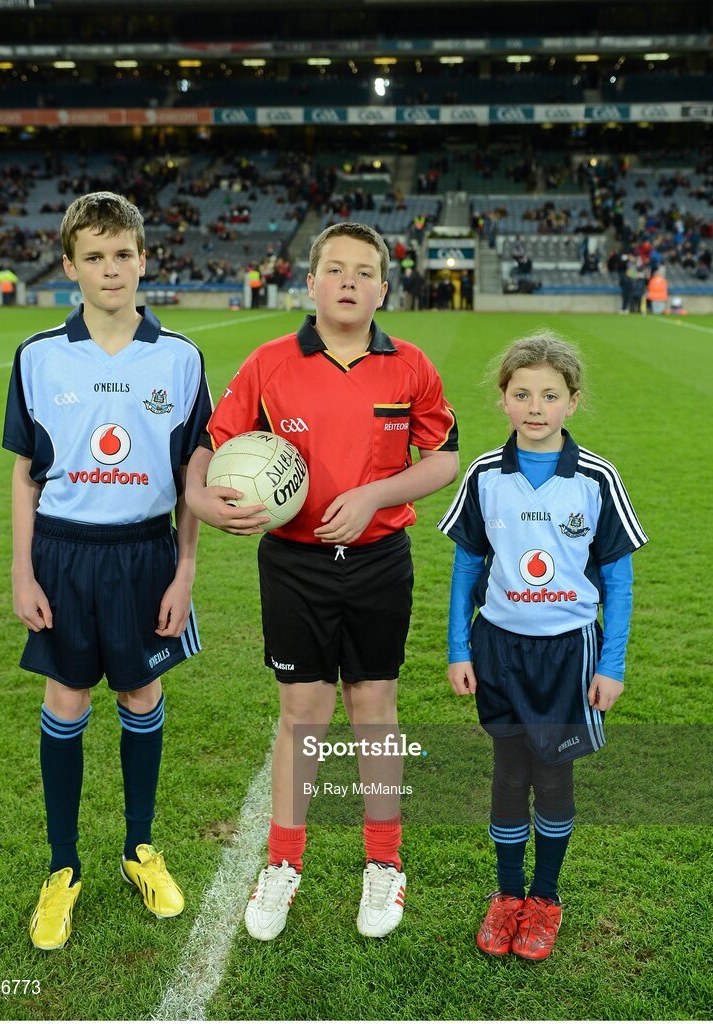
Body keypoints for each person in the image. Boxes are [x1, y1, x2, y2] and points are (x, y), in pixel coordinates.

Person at [185, 222, 459, 941]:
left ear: (382, 288)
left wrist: (374, 494)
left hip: (377, 563)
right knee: (303, 713)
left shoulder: (411, 366)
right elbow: (212, 445)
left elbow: (443, 458)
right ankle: (282, 864)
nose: (347, 281)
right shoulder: (272, 362)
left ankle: (383, 865)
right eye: (333, 269)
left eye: (363, 271)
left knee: (374, 707)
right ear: (308, 283)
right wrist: (201, 499)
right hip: (293, 565)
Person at [2, 192, 212, 950]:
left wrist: (186, 568)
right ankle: (62, 868)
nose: (111, 268)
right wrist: (23, 572)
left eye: (123, 253)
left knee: (140, 688)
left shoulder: (181, 357)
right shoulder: (38, 355)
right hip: (62, 549)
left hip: (145, 549)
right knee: (65, 697)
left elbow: (195, 470)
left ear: (144, 259)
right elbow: (27, 474)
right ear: (68, 267)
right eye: (94, 256)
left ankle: (139, 850)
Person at [438, 332, 647, 961]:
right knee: (508, 774)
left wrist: (611, 664)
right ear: (503, 399)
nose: (535, 406)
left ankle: (545, 899)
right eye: (522, 393)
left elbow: (617, 577)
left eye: (549, 395)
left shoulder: (595, 477)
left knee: (553, 775)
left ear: (572, 403)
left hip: (568, 651)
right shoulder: (483, 475)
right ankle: (507, 898)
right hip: (499, 647)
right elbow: (466, 568)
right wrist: (457, 648)